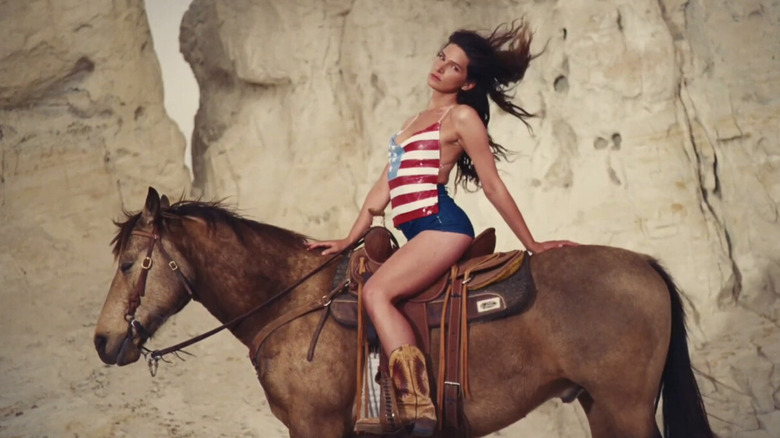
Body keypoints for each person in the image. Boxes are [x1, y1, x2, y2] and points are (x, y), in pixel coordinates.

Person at [307, 20, 577, 436]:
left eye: (454, 67)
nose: (441, 67)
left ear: (466, 83)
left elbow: (492, 185)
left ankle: (419, 409)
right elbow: (379, 196)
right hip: (418, 233)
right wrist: (347, 238)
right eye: (441, 57)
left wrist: (532, 243)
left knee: (377, 293)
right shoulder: (409, 124)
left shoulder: (461, 117)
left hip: (443, 226)